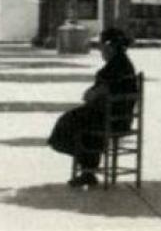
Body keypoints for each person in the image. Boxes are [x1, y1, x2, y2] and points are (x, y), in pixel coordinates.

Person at [48, 27, 137, 187]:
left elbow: (98, 93)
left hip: (109, 118)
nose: (101, 51)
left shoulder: (114, 68)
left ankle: (87, 169)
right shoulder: (123, 63)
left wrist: (91, 93)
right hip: (119, 118)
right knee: (77, 122)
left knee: (69, 125)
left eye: (102, 47)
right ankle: (88, 170)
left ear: (110, 47)